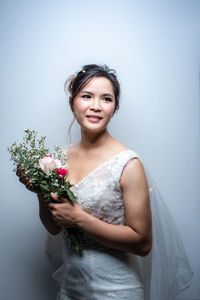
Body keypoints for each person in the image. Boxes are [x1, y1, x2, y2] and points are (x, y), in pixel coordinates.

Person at [18, 64, 193, 300]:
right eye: (87, 96)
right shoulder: (58, 159)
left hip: (118, 292)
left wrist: (79, 218)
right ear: (72, 102)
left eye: (106, 99)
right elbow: (54, 226)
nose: (96, 106)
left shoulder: (128, 164)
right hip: (70, 290)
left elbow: (143, 243)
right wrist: (39, 190)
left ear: (114, 107)